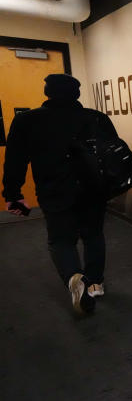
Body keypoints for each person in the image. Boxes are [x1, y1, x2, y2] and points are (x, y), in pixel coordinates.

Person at [2, 73, 118, 315]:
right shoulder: (96, 118)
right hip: (93, 190)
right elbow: (113, 154)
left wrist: (13, 193)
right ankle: (95, 284)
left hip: (54, 190)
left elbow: (15, 160)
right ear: (76, 94)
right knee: (93, 235)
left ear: (48, 93)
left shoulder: (27, 121)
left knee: (61, 240)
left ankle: (75, 278)